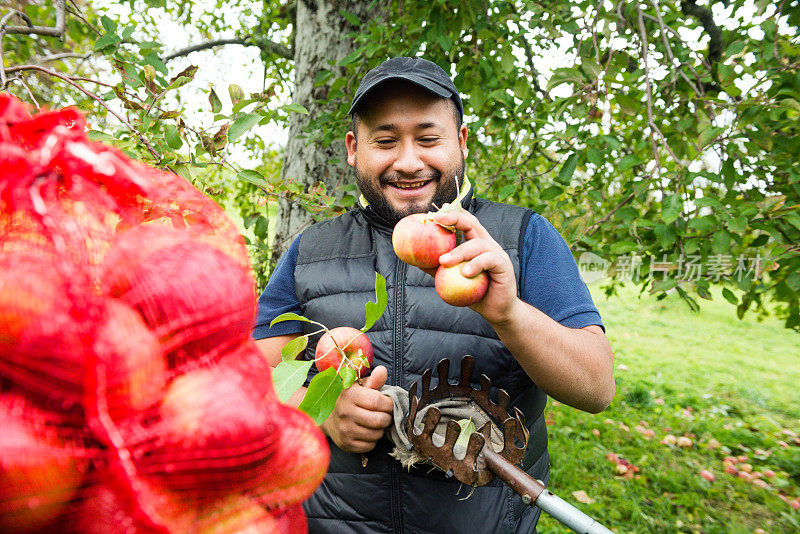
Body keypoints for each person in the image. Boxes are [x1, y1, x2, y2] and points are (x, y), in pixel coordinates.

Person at [253, 56, 615, 534]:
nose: (407, 161)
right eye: (384, 141)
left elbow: (596, 388)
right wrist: (319, 411)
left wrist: (509, 314)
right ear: (352, 148)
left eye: (428, 138)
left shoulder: (521, 238)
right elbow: (249, 375)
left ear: (460, 142)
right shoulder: (311, 250)